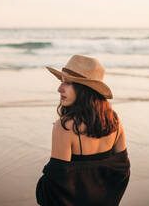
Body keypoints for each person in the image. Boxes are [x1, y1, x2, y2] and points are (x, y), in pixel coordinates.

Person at [36, 54, 130, 206]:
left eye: (67, 83)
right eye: (61, 81)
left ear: (84, 88)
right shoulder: (115, 122)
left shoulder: (65, 127)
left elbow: (55, 188)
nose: (59, 88)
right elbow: (122, 171)